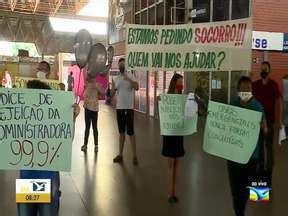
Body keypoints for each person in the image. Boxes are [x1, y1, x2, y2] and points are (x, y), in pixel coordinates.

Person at [18, 80, 80, 216]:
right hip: (28, 180)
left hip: (47, 179)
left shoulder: (52, 120)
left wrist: (72, 119)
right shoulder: (20, 121)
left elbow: (66, 140)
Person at [228, 76, 267, 216]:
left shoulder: (258, 107)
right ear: (238, 91)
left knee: (245, 188)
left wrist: (263, 126)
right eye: (243, 89)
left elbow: (266, 130)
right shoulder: (232, 106)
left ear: (252, 90)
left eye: (248, 89)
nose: (246, 91)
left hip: (251, 156)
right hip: (233, 156)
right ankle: (238, 212)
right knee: (234, 188)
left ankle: (240, 212)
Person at [252, 61, 282, 183]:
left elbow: (279, 102)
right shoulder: (256, 84)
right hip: (257, 121)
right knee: (259, 145)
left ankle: (269, 170)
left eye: (265, 69)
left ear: (269, 71)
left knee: (269, 146)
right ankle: (260, 167)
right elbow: (249, 96)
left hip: (269, 121)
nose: (263, 71)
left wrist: (279, 120)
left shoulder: (274, 85)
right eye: (262, 69)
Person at [161, 73, 185, 203]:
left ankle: (174, 191)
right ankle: (170, 193)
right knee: (171, 164)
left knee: (177, 165)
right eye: (179, 82)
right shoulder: (168, 97)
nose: (181, 85)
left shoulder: (183, 98)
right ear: (174, 83)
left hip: (179, 134)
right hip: (170, 133)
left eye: (182, 82)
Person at [112, 58, 139, 165]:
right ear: (118, 66)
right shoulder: (116, 78)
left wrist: (128, 79)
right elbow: (112, 93)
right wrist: (112, 88)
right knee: (121, 132)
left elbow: (136, 87)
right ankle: (120, 154)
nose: (121, 66)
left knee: (131, 132)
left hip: (129, 108)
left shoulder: (131, 76)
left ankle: (134, 156)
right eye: (120, 65)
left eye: (123, 64)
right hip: (119, 109)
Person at [81, 76, 104, 152]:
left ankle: (96, 145)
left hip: (94, 109)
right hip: (87, 108)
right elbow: (84, 95)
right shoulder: (87, 85)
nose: (89, 78)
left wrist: (96, 86)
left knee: (94, 127)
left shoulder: (98, 85)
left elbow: (103, 92)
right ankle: (85, 145)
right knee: (87, 127)